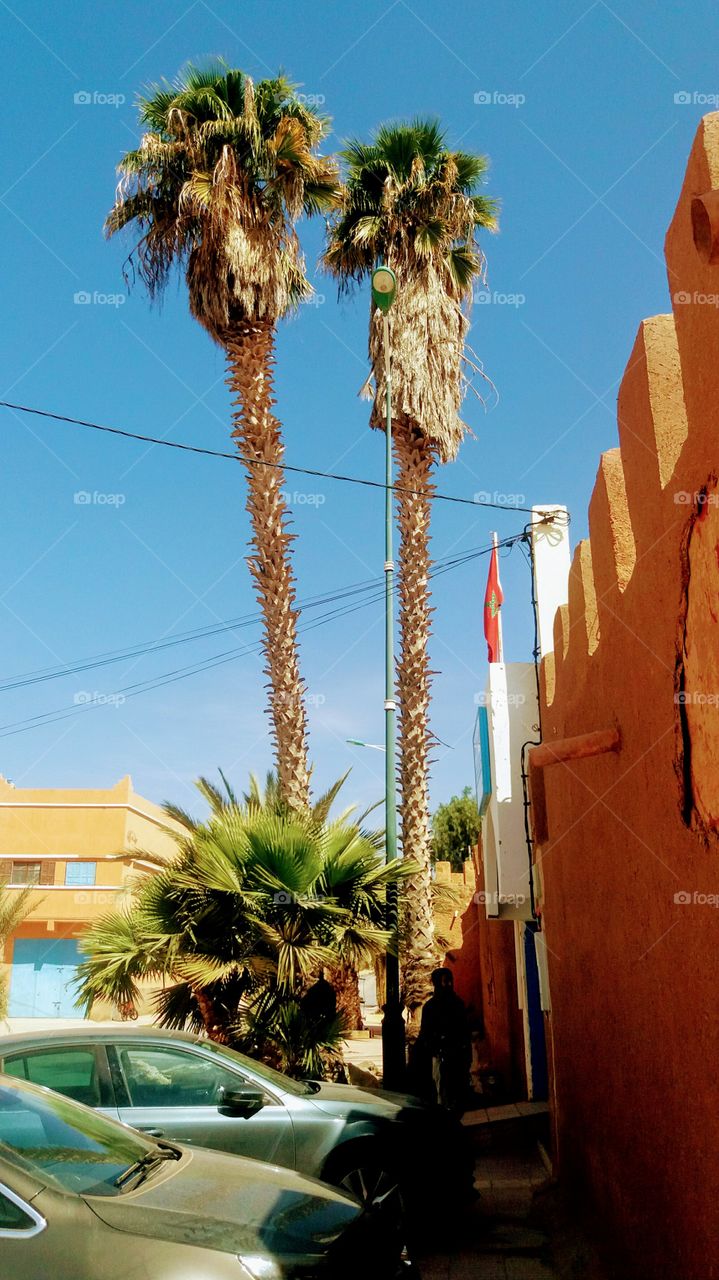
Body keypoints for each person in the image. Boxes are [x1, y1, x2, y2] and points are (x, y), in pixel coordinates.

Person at [418, 968, 471, 1112]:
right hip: (440, 1055)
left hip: (457, 1055)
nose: (448, 985)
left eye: (450, 981)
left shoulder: (457, 1003)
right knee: (441, 1091)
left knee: (457, 1091)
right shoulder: (430, 1007)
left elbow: (464, 1029)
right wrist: (436, 1048)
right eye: (445, 982)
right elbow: (426, 1033)